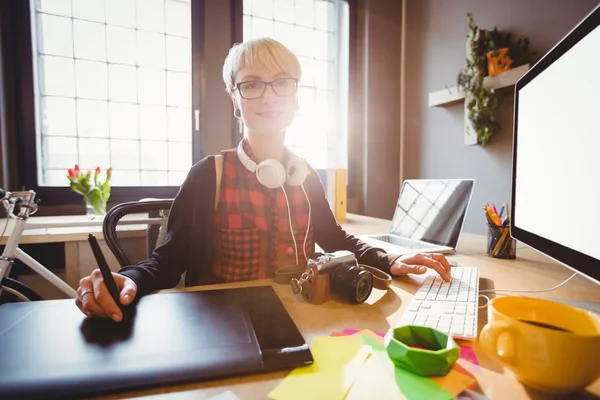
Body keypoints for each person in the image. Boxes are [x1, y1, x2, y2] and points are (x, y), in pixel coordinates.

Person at [75, 38, 452, 322]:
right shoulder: (209, 175)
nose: (269, 96)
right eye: (252, 84)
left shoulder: (304, 174)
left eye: (282, 83)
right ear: (235, 100)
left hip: (306, 315)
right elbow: (168, 260)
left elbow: (336, 238)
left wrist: (391, 260)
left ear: (296, 96)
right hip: (228, 324)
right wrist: (130, 279)